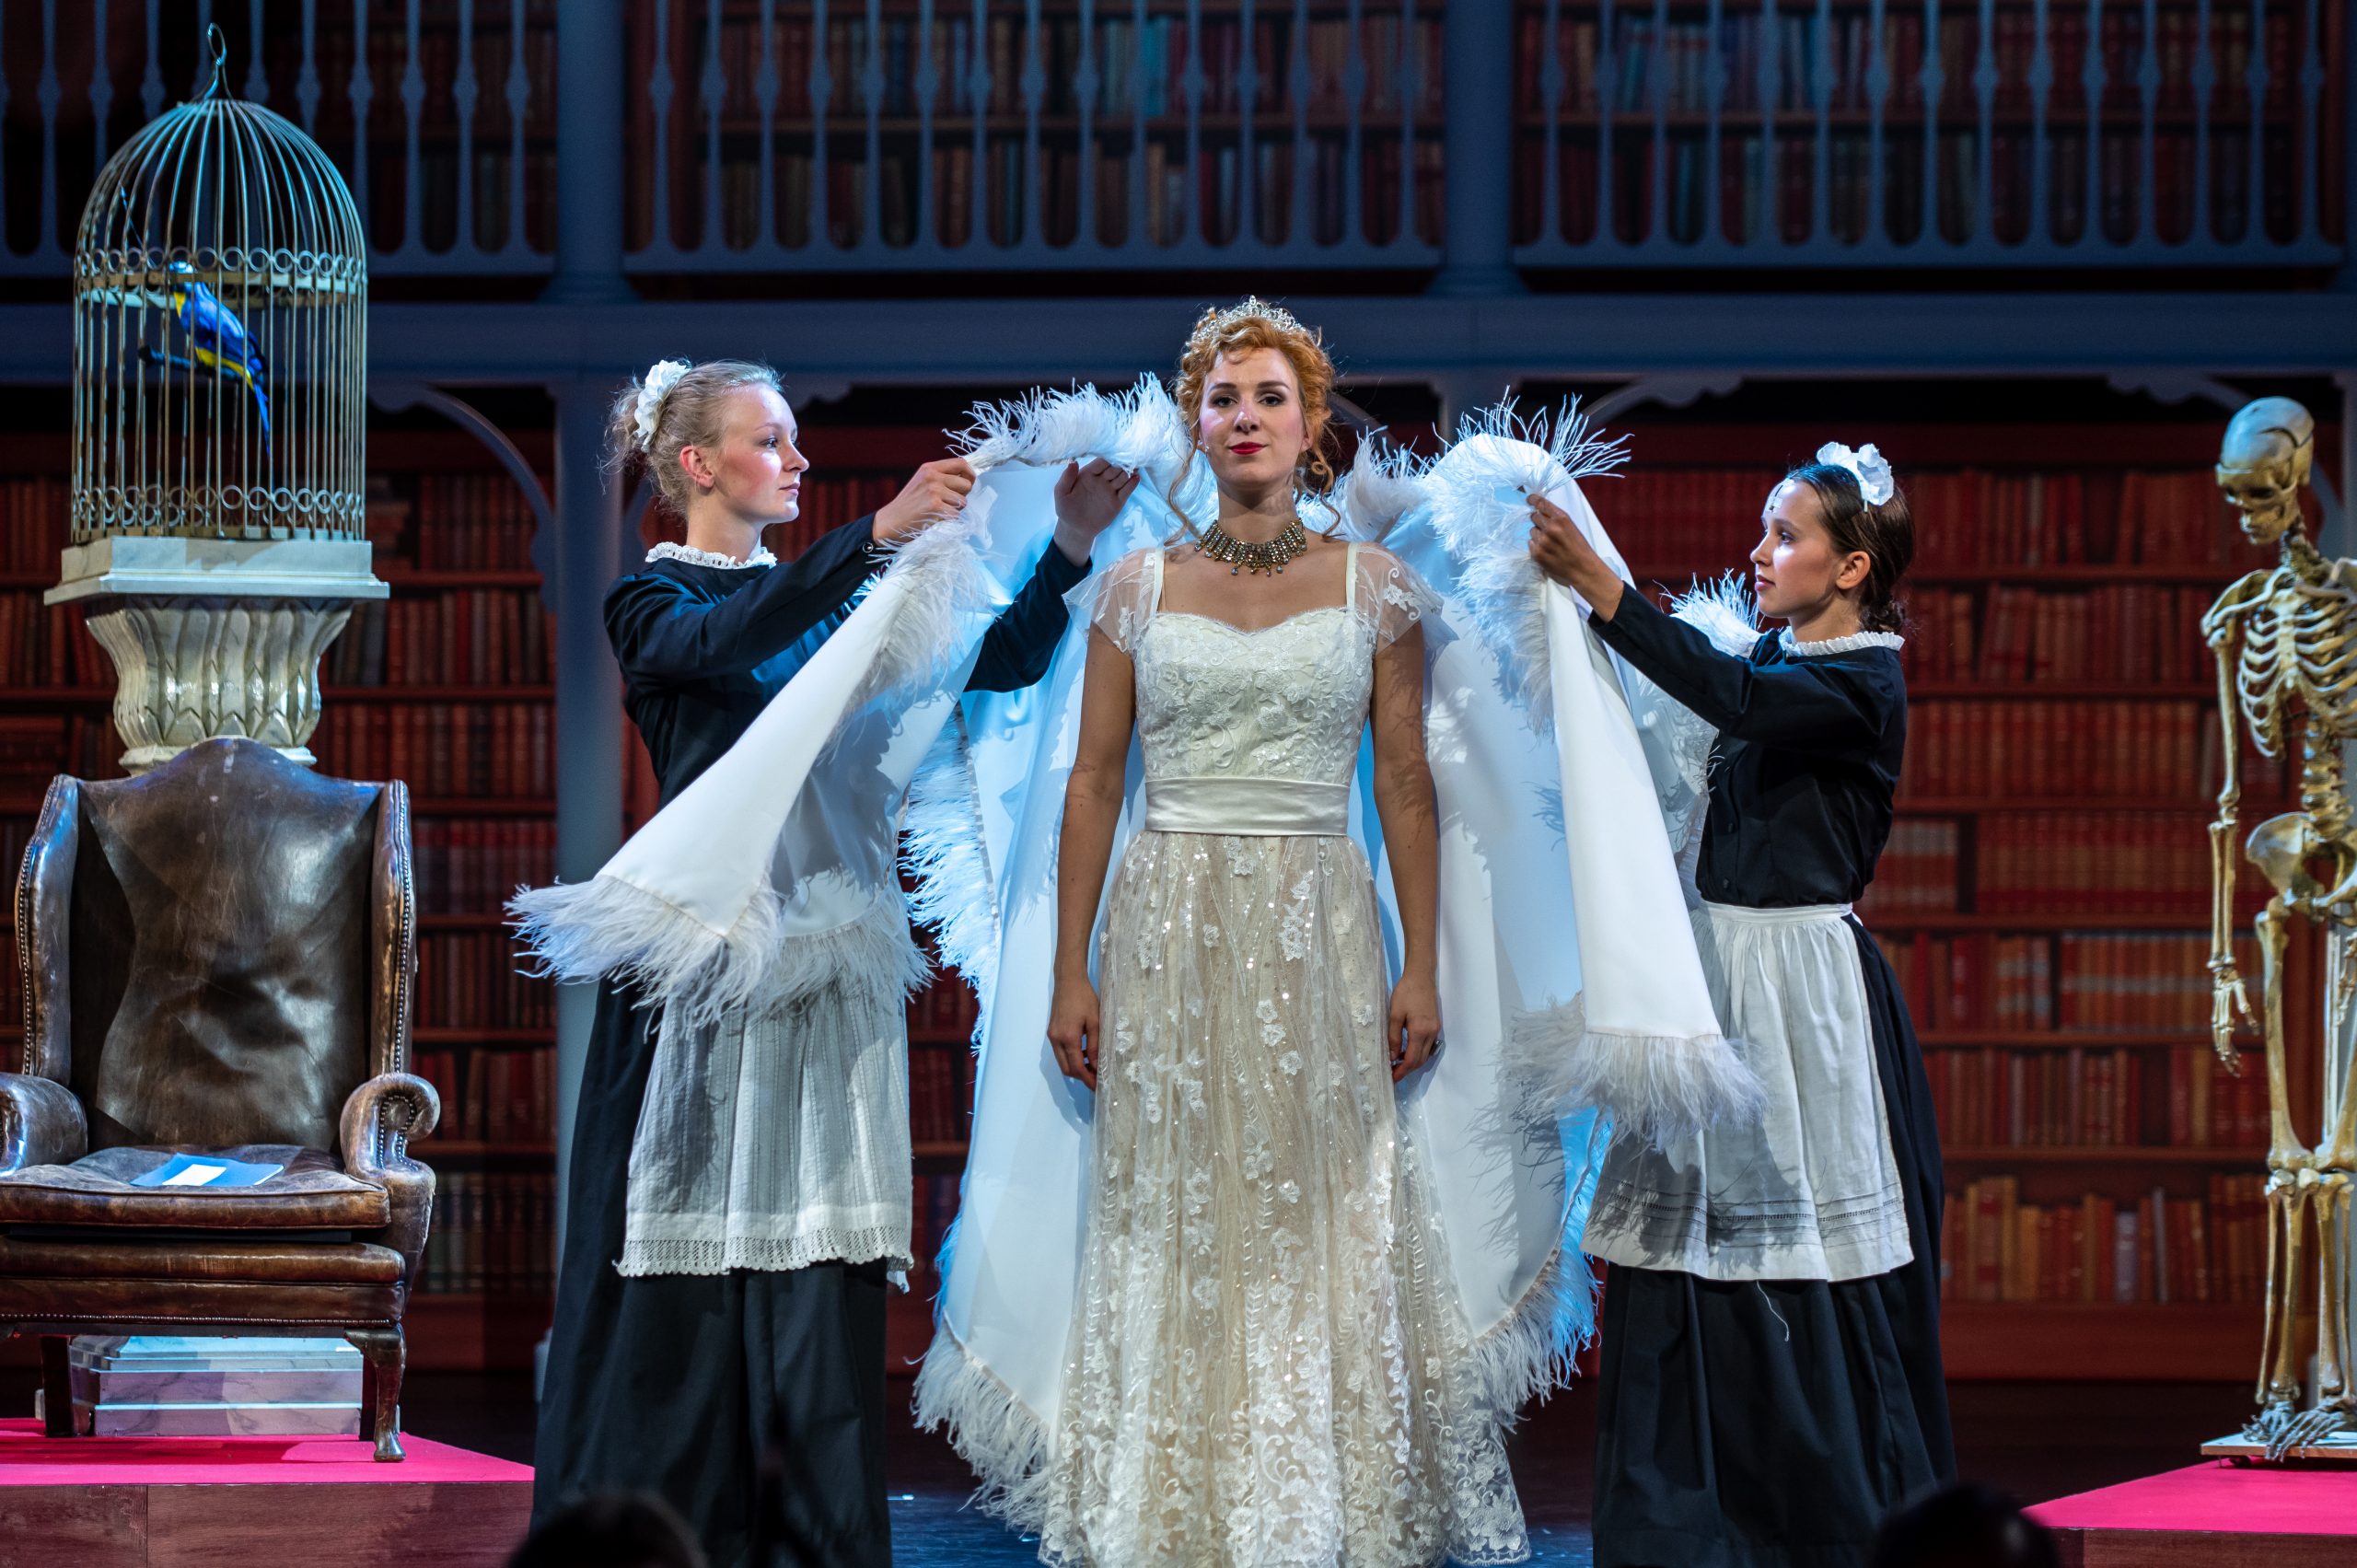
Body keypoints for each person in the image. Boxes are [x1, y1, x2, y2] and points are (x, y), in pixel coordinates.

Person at [922, 301, 1543, 1566]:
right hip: (1169, 919)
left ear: (1312, 428)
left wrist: (1421, 963)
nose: (1245, 416)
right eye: (1223, 398)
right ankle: (1172, 1502)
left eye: (1269, 397)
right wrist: (1069, 970)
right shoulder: (1132, 585)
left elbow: (1405, 784)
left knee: (1322, 1200)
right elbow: (1094, 783)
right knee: (1176, 1204)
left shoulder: (1377, 585)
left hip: (1319, 917)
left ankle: (1318, 1500)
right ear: (1194, 426)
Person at [527, 357, 1132, 1568]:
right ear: (697, 466)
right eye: (771, 440)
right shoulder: (651, 604)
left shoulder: (835, 603)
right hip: (710, 989)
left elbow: (993, 659)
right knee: (684, 1293)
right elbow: (731, 638)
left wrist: (1067, 542)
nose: (796, 460)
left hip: (824, 979)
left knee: (820, 1280)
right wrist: (876, 535)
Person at [1527, 443, 1956, 1566]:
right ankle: (1685, 1519)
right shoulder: (1774, 651)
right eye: (1763, 530)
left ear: (1851, 566)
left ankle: (1807, 1516)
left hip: (1797, 993)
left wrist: (1604, 587)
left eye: (1785, 535)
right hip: (1715, 968)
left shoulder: (1859, 683)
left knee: (1796, 1237)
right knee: (1687, 1241)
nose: (1758, 553)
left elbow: (1739, 699)